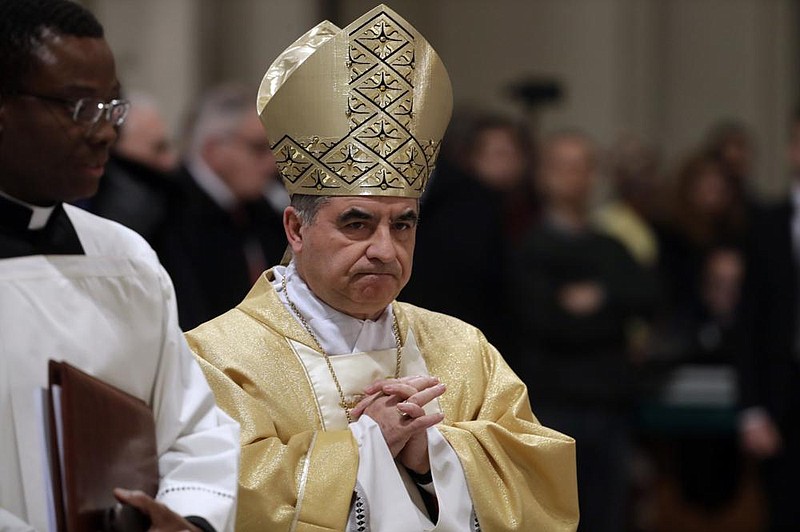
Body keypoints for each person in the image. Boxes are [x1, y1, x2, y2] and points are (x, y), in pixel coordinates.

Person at [186, 5, 579, 531]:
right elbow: (213, 495)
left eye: (403, 225)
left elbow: (541, 487)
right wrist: (364, 445)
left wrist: (431, 454)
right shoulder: (220, 357)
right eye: (357, 224)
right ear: (296, 230)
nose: (384, 249)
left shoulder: (463, 349)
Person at [0, 1, 239, 530]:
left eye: (112, 108)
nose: (105, 131)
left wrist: (186, 519)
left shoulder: (126, 259)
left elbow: (193, 430)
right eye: (79, 107)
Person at [510, 131, 657, 532]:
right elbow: (545, 321)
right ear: (543, 175)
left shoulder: (611, 246)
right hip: (551, 406)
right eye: (564, 166)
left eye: (584, 166)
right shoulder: (528, 248)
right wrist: (609, 308)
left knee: (610, 514)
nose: (575, 176)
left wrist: (601, 297)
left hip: (611, 405)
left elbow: (650, 296)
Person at [157, 83, 287, 330]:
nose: (271, 164)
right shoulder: (168, 211)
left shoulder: (262, 210)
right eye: (258, 148)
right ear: (214, 149)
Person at [737, 108, 800, 530]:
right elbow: (749, 323)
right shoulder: (766, 224)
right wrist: (752, 409)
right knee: (786, 509)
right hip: (785, 395)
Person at [84, 90, 179, 245]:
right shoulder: (129, 208)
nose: (170, 161)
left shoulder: (165, 201)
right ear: (118, 145)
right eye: (158, 148)